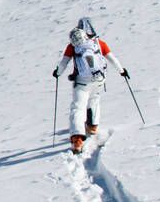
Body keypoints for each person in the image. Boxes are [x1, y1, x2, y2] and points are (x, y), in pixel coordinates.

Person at [52, 19, 128, 154]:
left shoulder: (72, 46)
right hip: (98, 80)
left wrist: (57, 73)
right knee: (94, 101)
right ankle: (92, 127)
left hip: (81, 82)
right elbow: (112, 59)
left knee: (78, 107)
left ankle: (77, 138)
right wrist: (122, 71)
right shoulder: (99, 43)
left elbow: (63, 63)